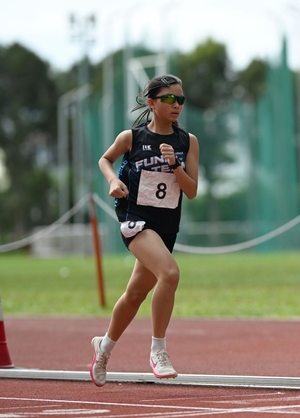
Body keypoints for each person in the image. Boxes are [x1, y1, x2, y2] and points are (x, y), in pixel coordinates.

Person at [90, 74, 200, 387]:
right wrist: (113, 180)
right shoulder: (132, 137)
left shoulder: (187, 142)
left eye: (180, 100)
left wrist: (175, 165)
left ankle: (103, 348)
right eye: (169, 99)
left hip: (166, 225)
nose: (176, 105)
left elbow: (191, 191)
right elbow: (105, 160)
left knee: (136, 293)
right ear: (151, 103)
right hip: (135, 219)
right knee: (170, 274)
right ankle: (158, 351)